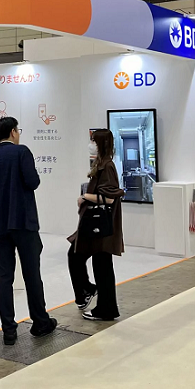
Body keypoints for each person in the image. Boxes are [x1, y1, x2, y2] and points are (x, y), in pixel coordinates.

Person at [0, 116, 57, 345]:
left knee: (5, 277)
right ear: (12, 132)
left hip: (0, 224)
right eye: (18, 130)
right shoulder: (22, 152)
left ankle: (8, 330)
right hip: (24, 222)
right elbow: (33, 182)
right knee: (32, 274)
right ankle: (40, 322)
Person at [67, 129, 126, 322]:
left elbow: (109, 198)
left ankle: (101, 304)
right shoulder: (101, 164)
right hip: (96, 223)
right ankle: (93, 296)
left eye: (93, 141)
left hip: (100, 225)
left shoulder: (107, 166)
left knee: (99, 264)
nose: (90, 144)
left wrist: (85, 196)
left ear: (100, 143)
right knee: (95, 262)